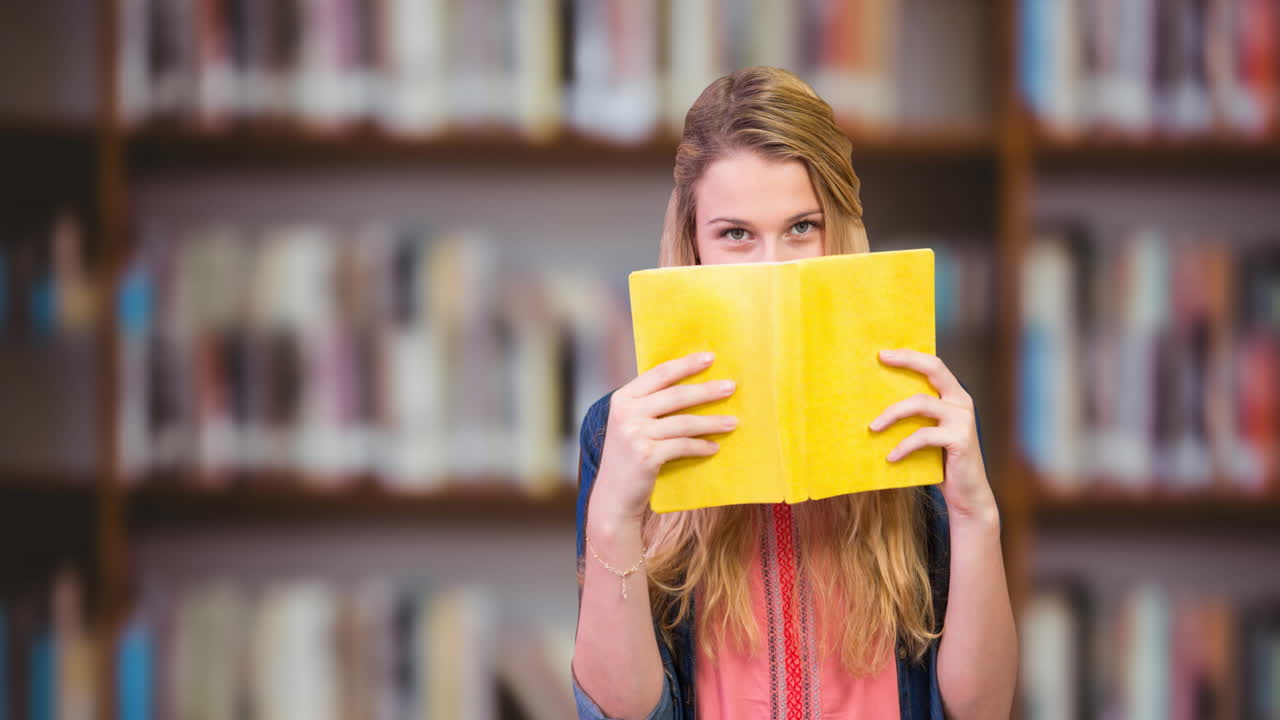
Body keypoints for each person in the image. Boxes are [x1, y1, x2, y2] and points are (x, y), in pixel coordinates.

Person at [571, 66, 1016, 720]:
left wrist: (977, 515)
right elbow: (623, 714)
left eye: (802, 228)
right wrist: (612, 516)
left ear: (839, 229)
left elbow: (982, 710)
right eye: (736, 234)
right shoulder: (621, 434)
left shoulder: (923, 414)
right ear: (693, 245)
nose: (773, 268)